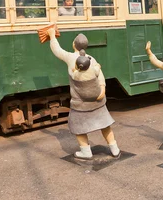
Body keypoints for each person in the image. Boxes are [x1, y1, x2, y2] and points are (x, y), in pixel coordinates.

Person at [47, 27, 120, 159]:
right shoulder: (92, 59)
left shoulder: (71, 58)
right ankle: (114, 148)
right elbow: (100, 76)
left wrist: (52, 36)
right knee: (105, 124)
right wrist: (102, 90)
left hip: (79, 102)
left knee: (78, 127)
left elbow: (57, 50)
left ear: (73, 45)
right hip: (98, 100)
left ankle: (86, 151)